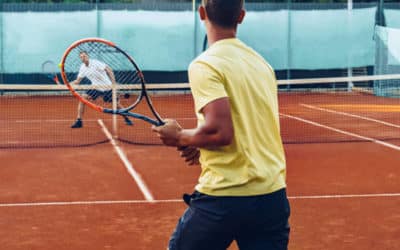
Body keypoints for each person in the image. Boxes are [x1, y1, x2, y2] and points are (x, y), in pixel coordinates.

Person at [152, 0, 290, 249]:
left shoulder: (205, 64)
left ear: (201, 12)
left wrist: (180, 136)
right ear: (241, 16)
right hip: (272, 198)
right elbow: (245, 128)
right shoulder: (263, 65)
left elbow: (220, 131)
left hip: (225, 197)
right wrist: (200, 144)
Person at [70, 51, 132, 128]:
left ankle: (126, 117)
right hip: (95, 87)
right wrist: (69, 84)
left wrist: (113, 84)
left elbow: (109, 70)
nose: (83, 58)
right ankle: (79, 121)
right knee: (82, 98)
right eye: (82, 57)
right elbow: (77, 81)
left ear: (88, 56)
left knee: (116, 105)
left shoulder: (96, 63)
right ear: (80, 59)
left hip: (107, 87)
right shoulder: (82, 67)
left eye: (85, 56)